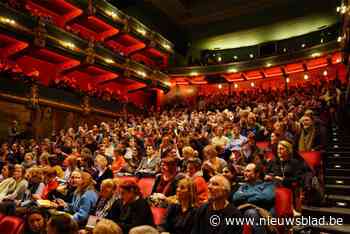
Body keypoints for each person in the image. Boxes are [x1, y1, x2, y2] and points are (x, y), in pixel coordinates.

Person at [233, 163, 275, 234]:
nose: (244, 173)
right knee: (251, 212)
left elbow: (267, 197)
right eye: (244, 171)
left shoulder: (268, 185)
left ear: (257, 174)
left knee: (252, 212)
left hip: (265, 212)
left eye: (248, 171)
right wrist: (257, 195)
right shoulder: (243, 187)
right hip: (245, 213)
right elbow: (236, 197)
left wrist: (246, 199)